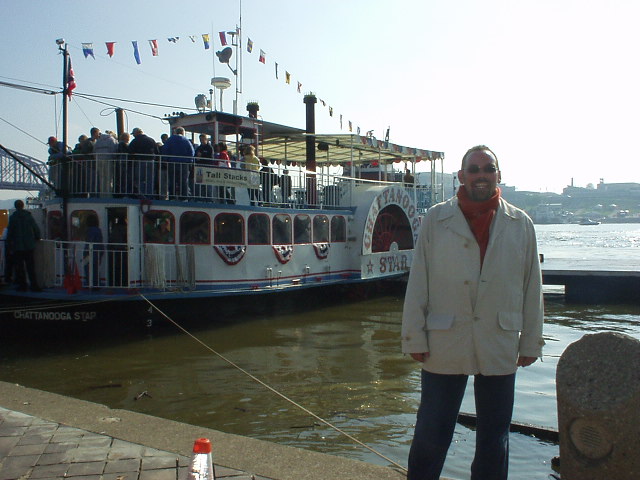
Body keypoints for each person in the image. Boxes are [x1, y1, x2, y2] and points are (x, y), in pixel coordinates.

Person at [401, 145, 544, 480]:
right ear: (462, 176)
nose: (481, 175)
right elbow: (418, 280)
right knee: (431, 432)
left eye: (488, 168)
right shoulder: (437, 219)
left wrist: (531, 343)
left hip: (499, 339)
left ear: (498, 174)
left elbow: (531, 287)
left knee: (494, 438)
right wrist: (413, 336)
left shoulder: (521, 223)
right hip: (444, 340)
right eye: (474, 169)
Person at [6, 200, 42, 292]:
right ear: (23, 206)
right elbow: (35, 228)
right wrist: (37, 237)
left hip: (18, 247)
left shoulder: (13, 218)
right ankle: (34, 286)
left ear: (15, 207)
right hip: (29, 245)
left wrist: (9, 244)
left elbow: (10, 233)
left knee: (20, 268)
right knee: (31, 267)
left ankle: (23, 286)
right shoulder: (28, 216)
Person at [163, 127, 195, 199]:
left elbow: (165, 150)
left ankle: (172, 197)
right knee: (183, 181)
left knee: (172, 181)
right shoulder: (186, 141)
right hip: (184, 164)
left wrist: (166, 160)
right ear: (183, 133)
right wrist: (190, 162)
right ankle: (184, 197)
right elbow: (191, 152)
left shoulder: (170, 140)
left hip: (172, 163)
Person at [128, 127, 159, 197]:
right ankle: (149, 195)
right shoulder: (151, 140)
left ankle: (142, 195)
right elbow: (156, 151)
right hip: (151, 161)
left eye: (133, 134)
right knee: (150, 179)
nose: (133, 135)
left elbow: (130, 151)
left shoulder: (135, 141)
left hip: (140, 161)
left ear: (136, 133)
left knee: (140, 179)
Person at [94, 130, 118, 197]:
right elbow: (114, 150)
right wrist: (114, 157)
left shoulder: (98, 141)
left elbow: (94, 150)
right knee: (109, 178)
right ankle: (109, 194)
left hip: (99, 160)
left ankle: (102, 194)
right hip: (108, 159)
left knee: (102, 177)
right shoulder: (111, 139)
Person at [83, 215, 103, 289]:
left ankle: (90, 284)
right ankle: (96, 284)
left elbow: (89, 240)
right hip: (97, 251)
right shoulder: (98, 230)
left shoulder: (89, 230)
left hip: (89, 252)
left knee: (88, 268)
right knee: (95, 269)